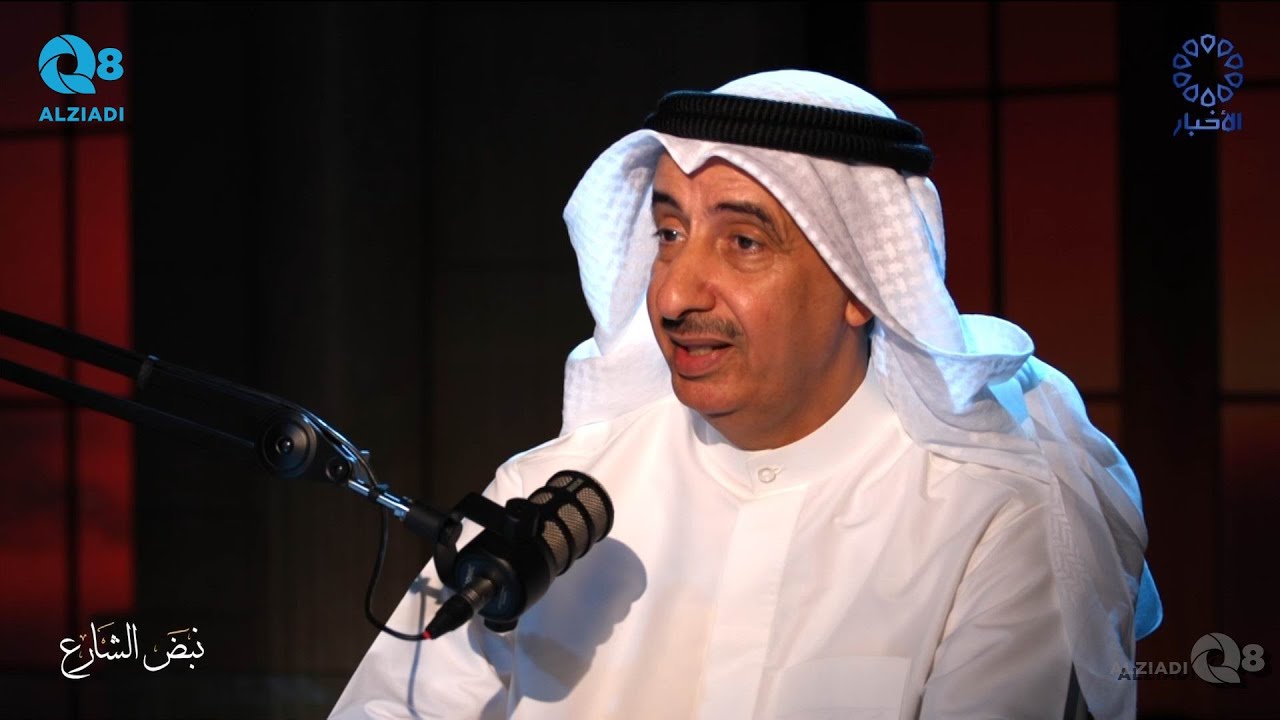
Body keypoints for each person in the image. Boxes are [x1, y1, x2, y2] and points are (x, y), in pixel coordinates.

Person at [331, 70, 1161, 719]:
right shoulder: (547, 498)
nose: (673, 294)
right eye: (669, 233)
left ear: (860, 282)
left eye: (744, 243)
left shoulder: (990, 519)